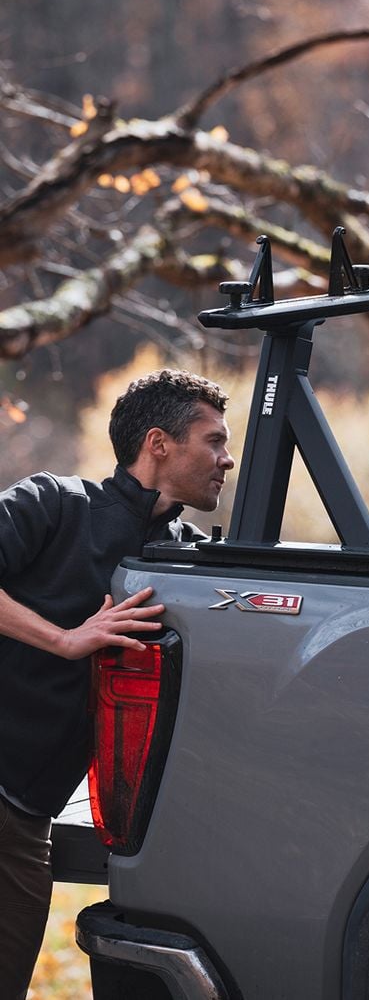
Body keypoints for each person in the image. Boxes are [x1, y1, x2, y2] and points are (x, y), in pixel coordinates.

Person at [0, 369, 233, 1000]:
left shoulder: (182, 559)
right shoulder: (54, 503)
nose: (226, 458)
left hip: (26, 822)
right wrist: (66, 638)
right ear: (158, 444)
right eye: (213, 441)